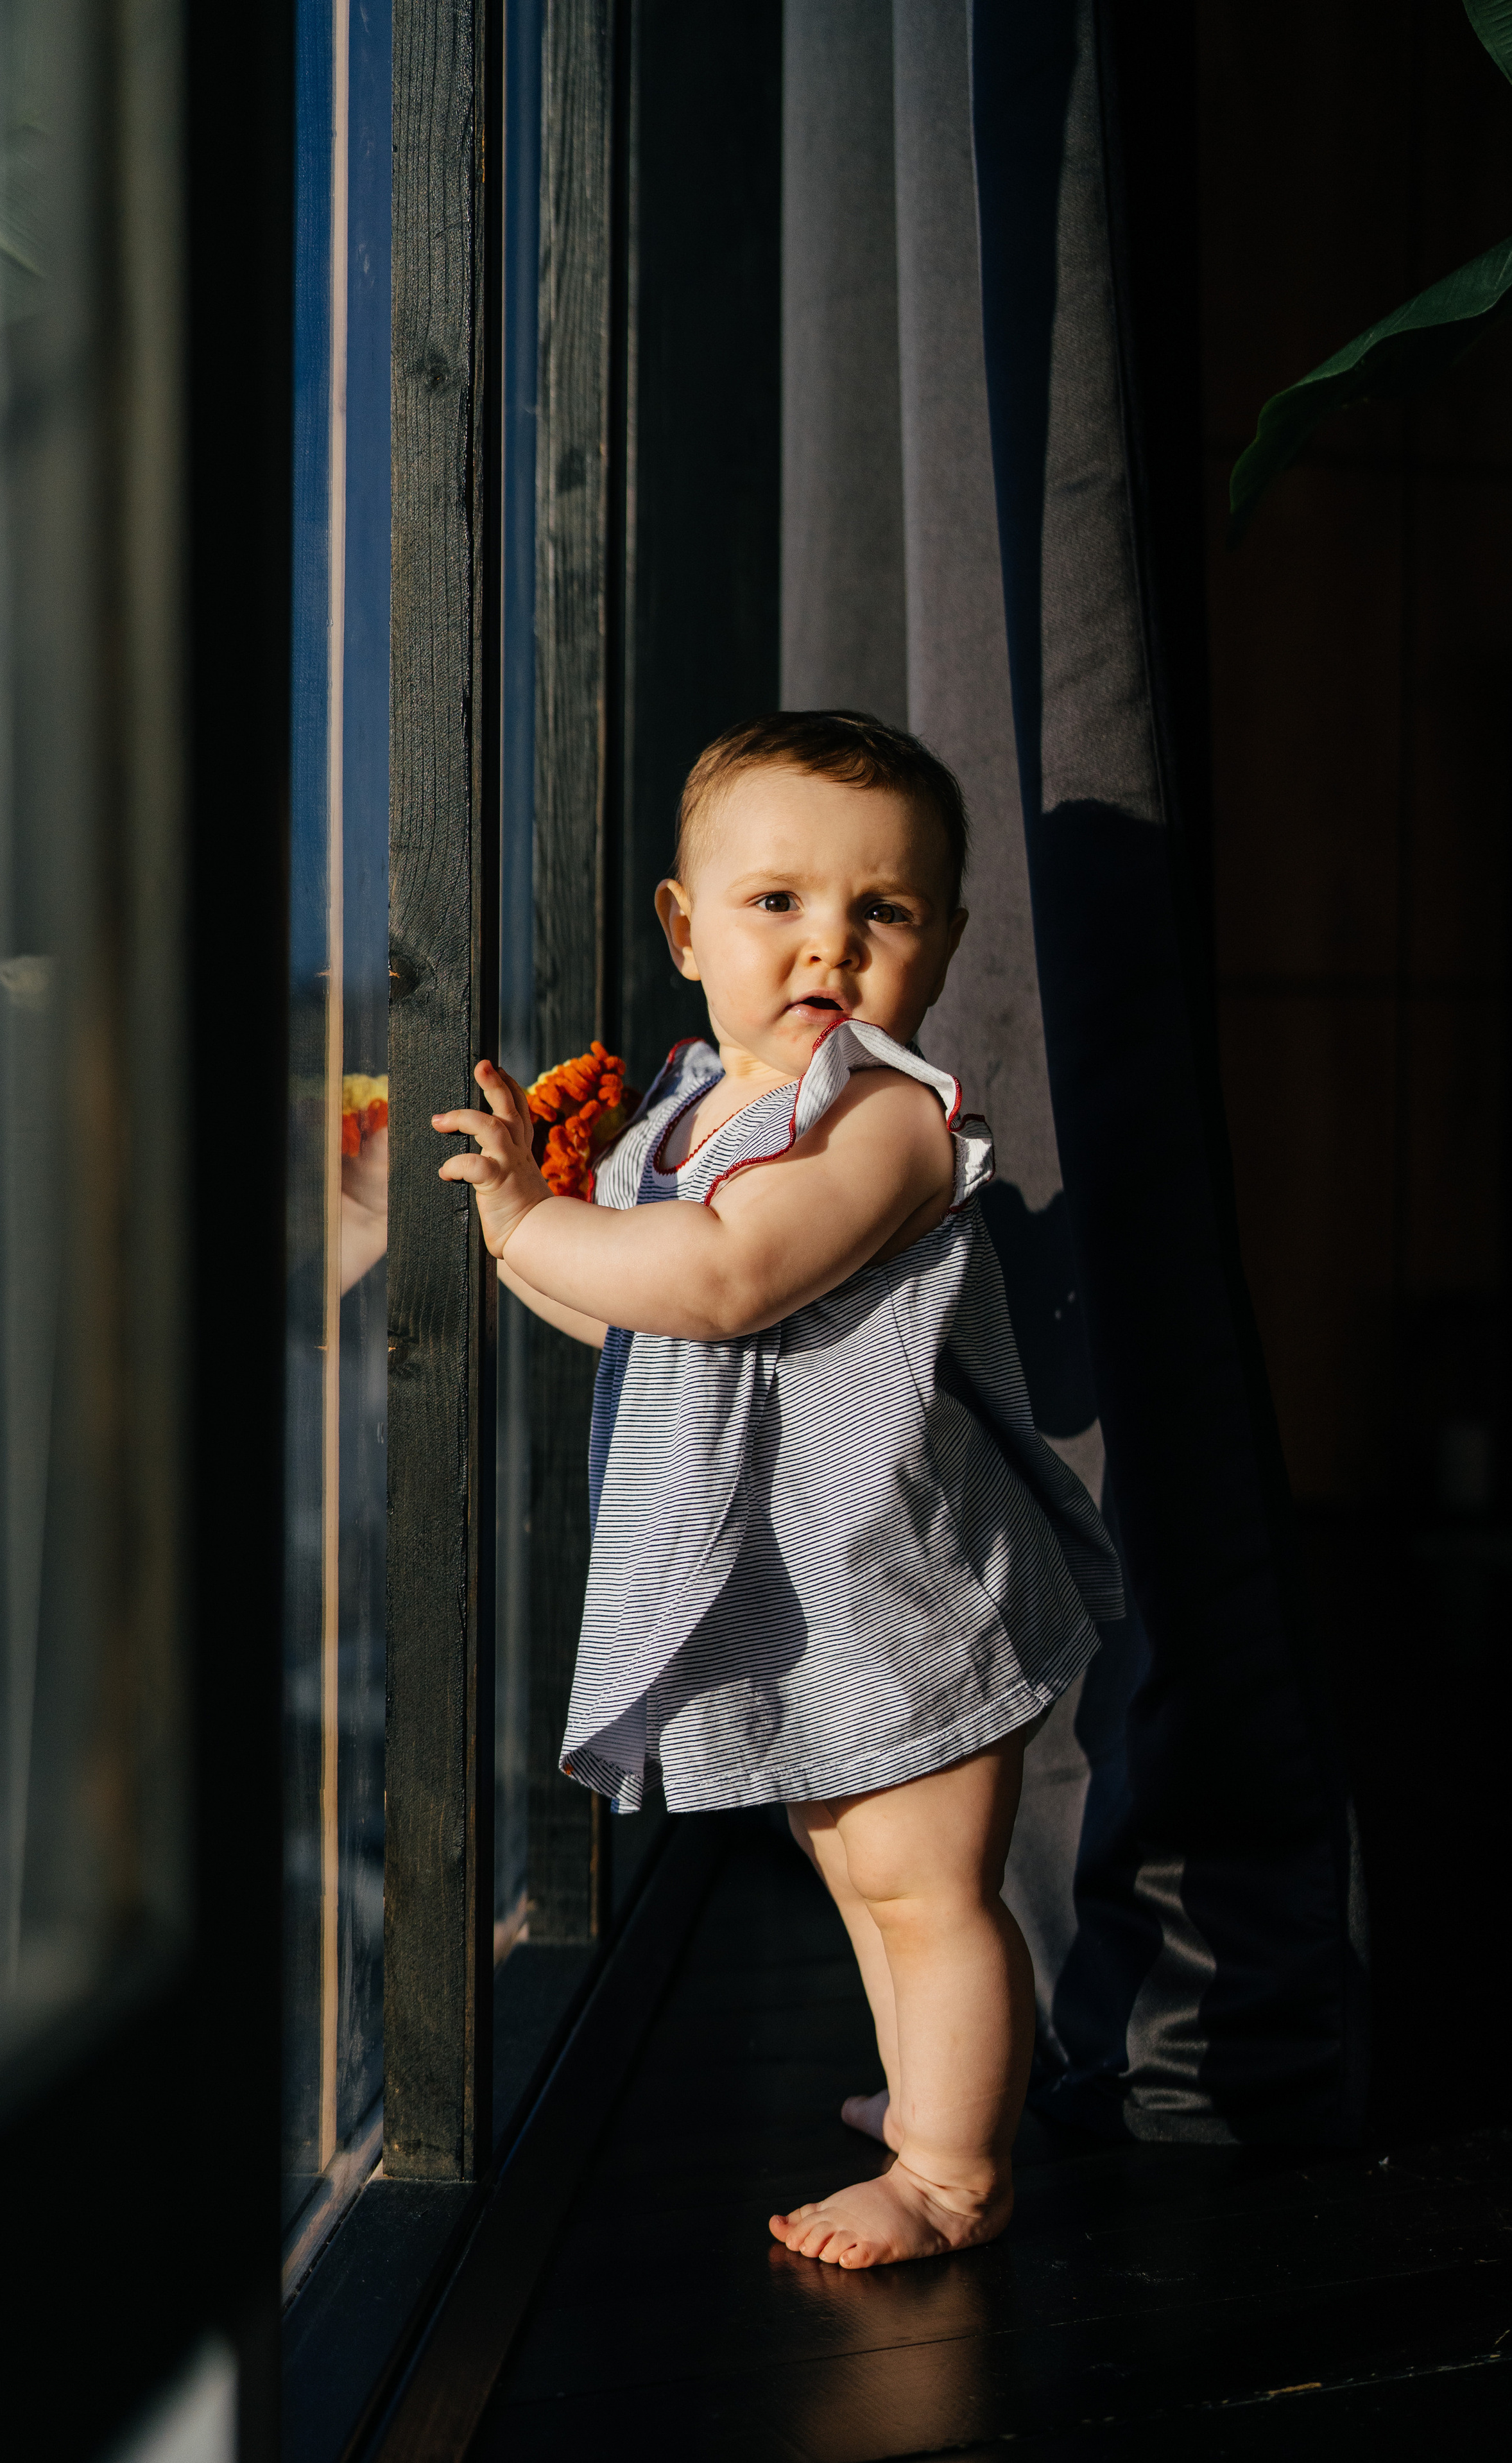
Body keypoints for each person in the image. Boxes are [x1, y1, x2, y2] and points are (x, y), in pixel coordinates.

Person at [432, 711, 1121, 2269]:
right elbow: (638, 1309)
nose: (829, 947)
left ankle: (953, 2169)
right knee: (862, 1874)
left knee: (925, 1884)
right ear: (684, 928)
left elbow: (727, 1275)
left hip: (908, 1579)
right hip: (812, 1591)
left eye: (880, 911)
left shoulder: (883, 1115)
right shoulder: (683, 1115)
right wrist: (519, 1239)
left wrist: (537, 1220)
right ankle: (930, 2089)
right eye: (777, 904)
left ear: (937, 942)